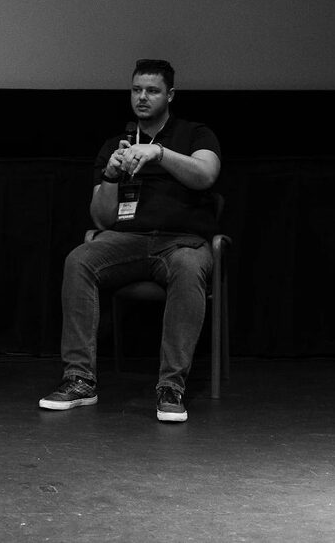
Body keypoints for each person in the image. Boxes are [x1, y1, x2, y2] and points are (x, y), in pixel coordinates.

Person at [39, 58, 221, 423]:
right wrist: (110, 175)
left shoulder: (195, 134)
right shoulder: (116, 145)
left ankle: (171, 387)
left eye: (152, 91)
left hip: (181, 242)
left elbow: (206, 174)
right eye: (136, 90)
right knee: (79, 259)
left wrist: (159, 153)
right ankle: (79, 380)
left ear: (170, 95)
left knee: (188, 268)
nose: (142, 97)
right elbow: (101, 218)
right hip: (127, 240)